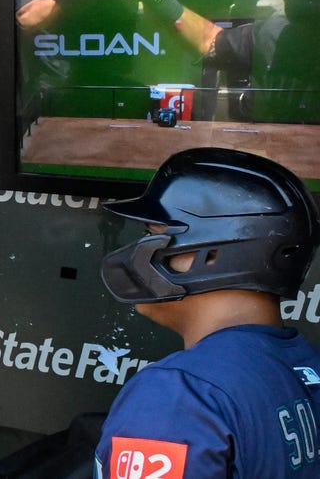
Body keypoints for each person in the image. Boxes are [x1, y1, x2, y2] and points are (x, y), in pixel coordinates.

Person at [95, 147, 320, 478]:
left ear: (212, 254)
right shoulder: (306, 365)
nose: (136, 251)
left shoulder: (181, 396)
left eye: (151, 235)